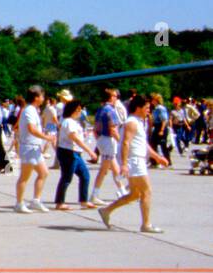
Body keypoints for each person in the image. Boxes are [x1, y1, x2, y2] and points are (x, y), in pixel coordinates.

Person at [99, 96, 169, 233]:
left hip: (137, 159)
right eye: (147, 108)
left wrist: (157, 157)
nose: (149, 110)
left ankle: (106, 210)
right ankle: (146, 225)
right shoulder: (131, 122)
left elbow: (142, 144)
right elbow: (125, 142)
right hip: (134, 160)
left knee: (135, 194)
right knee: (146, 191)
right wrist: (124, 164)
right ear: (138, 108)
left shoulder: (138, 122)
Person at [13, 86, 55, 213]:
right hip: (29, 147)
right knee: (24, 177)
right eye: (42, 96)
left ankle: (36, 200)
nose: (43, 98)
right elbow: (31, 128)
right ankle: (19, 203)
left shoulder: (33, 110)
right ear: (36, 97)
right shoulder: (29, 110)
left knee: (43, 173)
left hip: (34, 148)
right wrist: (46, 137)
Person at [52, 100, 99, 210]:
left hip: (75, 153)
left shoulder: (73, 122)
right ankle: (59, 202)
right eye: (78, 109)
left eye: (80, 109)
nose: (80, 111)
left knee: (85, 175)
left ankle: (83, 200)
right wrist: (90, 151)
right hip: (68, 152)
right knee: (67, 177)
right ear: (72, 110)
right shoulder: (68, 122)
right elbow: (74, 138)